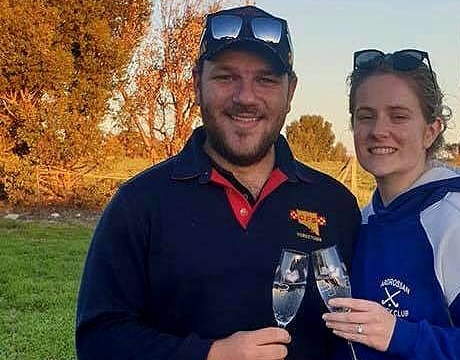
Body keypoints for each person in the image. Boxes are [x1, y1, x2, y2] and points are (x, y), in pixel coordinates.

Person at [75, 5, 360, 360]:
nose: (245, 97)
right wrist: (208, 354)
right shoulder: (138, 204)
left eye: (266, 79)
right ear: (197, 83)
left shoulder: (336, 206)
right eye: (226, 77)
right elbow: (98, 341)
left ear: (291, 91)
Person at [322, 49, 460, 360]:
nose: (379, 130)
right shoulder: (364, 220)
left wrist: (400, 335)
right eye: (365, 116)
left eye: (399, 116)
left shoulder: (459, 225)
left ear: (431, 131)